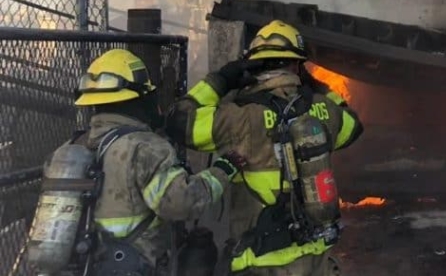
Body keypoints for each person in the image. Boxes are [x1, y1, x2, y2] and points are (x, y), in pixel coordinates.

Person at [168, 21, 363, 275]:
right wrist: (316, 85)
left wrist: (221, 80)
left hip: (259, 264)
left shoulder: (236, 118)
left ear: (253, 67)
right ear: (296, 65)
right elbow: (353, 125)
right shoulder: (324, 110)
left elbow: (179, 120)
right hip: (316, 259)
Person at [31, 49, 242, 275]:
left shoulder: (69, 150)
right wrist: (222, 170)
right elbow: (181, 204)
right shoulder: (145, 147)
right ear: (140, 99)